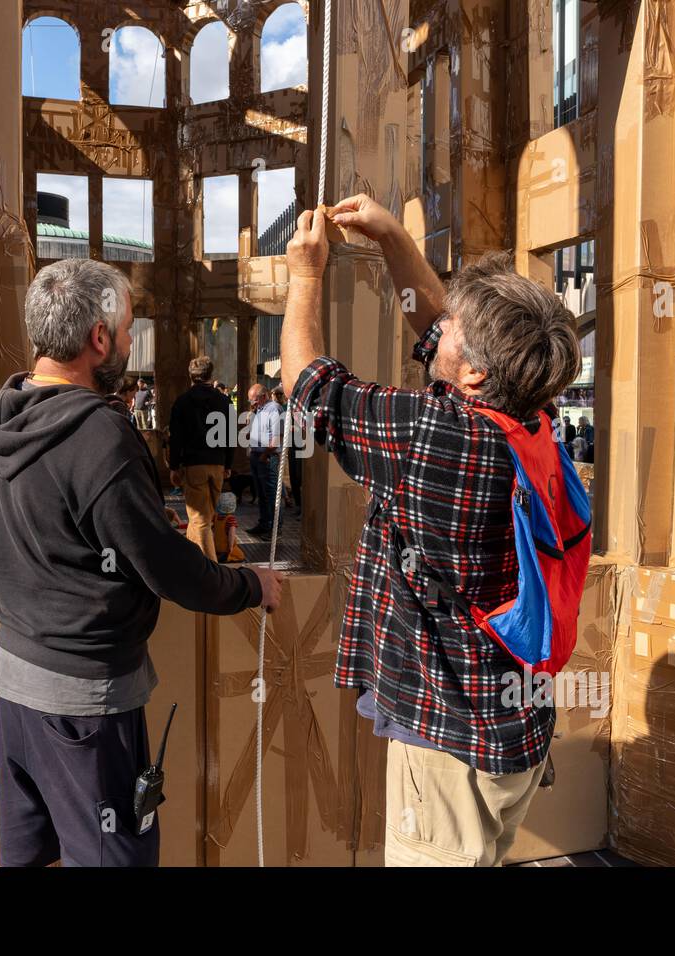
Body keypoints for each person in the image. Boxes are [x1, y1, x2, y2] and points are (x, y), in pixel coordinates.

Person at [280, 195, 584, 867]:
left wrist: (304, 275)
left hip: (452, 746)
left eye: (452, 325)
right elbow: (444, 340)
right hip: (513, 725)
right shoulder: (532, 420)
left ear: (474, 371)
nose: (438, 324)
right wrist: (391, 236)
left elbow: (308, 386)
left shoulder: (432, 435)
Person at [0, 258, 283, 868]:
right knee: (113, 858)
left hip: (16, 685)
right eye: (128, 328)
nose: (132, 342)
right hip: (87, 701)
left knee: (28, 857)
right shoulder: (101, 436)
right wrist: (250, 585)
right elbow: (168, 568)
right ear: (99, 338)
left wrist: (40, 587)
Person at [169, 355, 232, 559]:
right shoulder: (224, 401)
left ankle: (209, 567)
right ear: (210, 374)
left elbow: (176, 437)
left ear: (191, 376)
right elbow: (231, 435)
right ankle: (191, 560)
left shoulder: (183, 402)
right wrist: (228, 464)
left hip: (194, 464)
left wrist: (174, 466)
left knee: (199, 520)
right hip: (218, 463)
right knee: (206, 517)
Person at [246, 383, 283, 536]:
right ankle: (264, 523)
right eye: (250, 400)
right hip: (257, 456)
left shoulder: (274, 409)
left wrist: (265, 455)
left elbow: (276, 437)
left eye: (253, 400)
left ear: (263, 396)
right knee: (261, 493)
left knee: (271, 494)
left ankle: (275, 529)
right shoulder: (259, 410)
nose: (252, 403)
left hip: (267, 457)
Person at [213, 491, 245, 563]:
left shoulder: (215, 517)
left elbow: (213, 530)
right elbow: (231, 534)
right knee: (240, 556)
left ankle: (219, 555)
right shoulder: (230, 519)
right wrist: (231, 547)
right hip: (225, 547)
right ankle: (226, 557)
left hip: (216, 546)